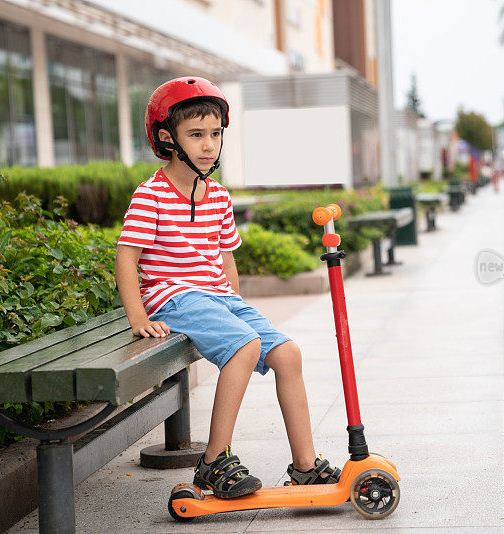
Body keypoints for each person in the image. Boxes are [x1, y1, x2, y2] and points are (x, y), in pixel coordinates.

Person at [115, 77, 340, 499]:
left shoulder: (217, 195)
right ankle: (213, 461)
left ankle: (306, 466)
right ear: (167, 138)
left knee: (288, 354)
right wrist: (138, 317)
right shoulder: (151, 196)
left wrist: (234, 302)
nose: (208, 145)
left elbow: (226, 256)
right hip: (173, 296)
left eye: (215, 134)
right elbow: (127, 256)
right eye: (196, 135)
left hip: (217, 296)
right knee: (244, 345)